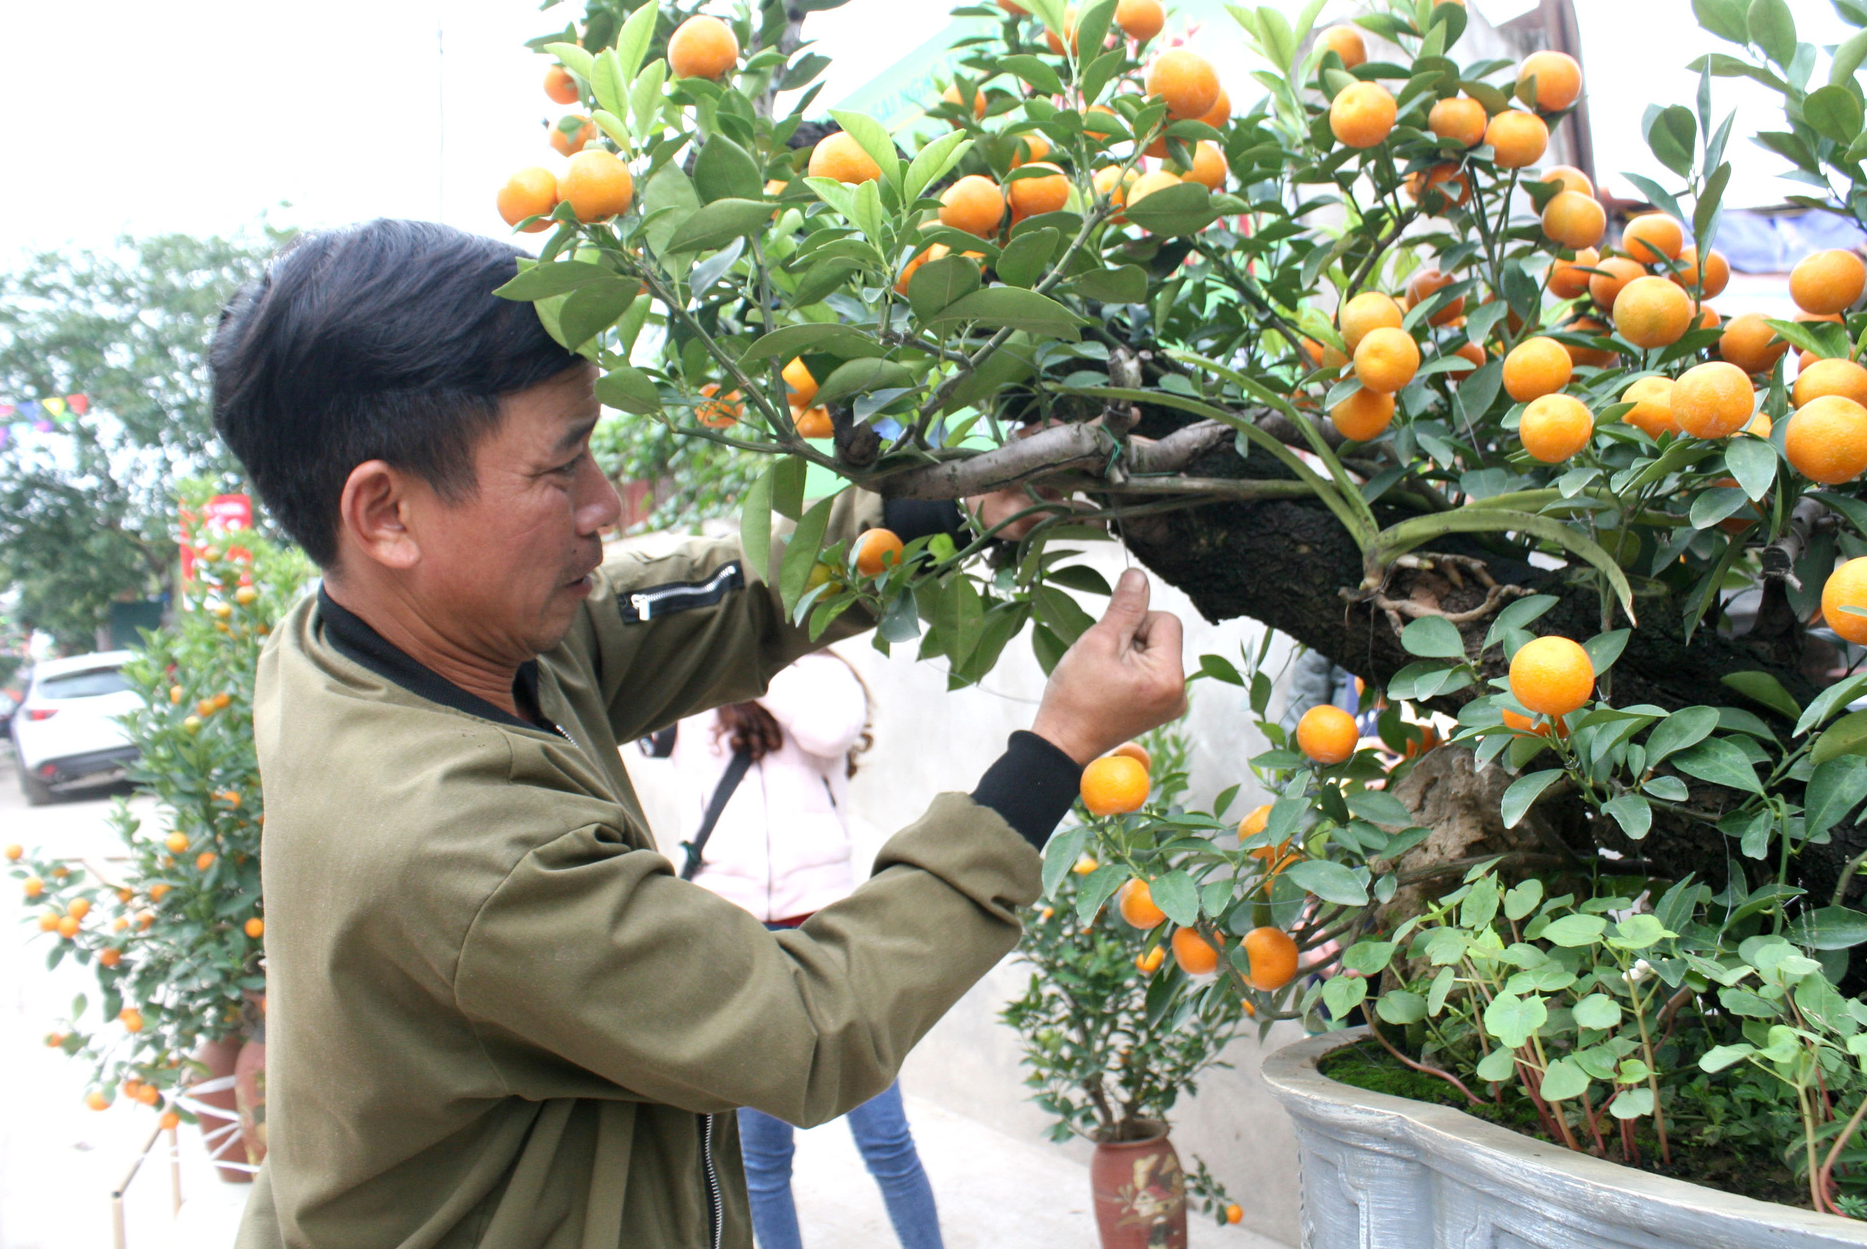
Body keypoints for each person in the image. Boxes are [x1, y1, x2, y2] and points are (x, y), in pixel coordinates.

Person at [209, 220, 1187, 1249]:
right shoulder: (452, 844)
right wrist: (1054, 751)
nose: (601, 505)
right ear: (386, 513)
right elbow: (809, 1025)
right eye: (561, 466)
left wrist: (953, 504)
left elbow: (719, 600)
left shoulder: (361, 637)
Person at [668, 655, 942, 1249]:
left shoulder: (821, 675)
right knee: (761, 1159)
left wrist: (758, 659)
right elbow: (648, 735)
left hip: (824, 930)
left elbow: (829, 730)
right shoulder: (703, 687)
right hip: (735, 936)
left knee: (886, 1138)